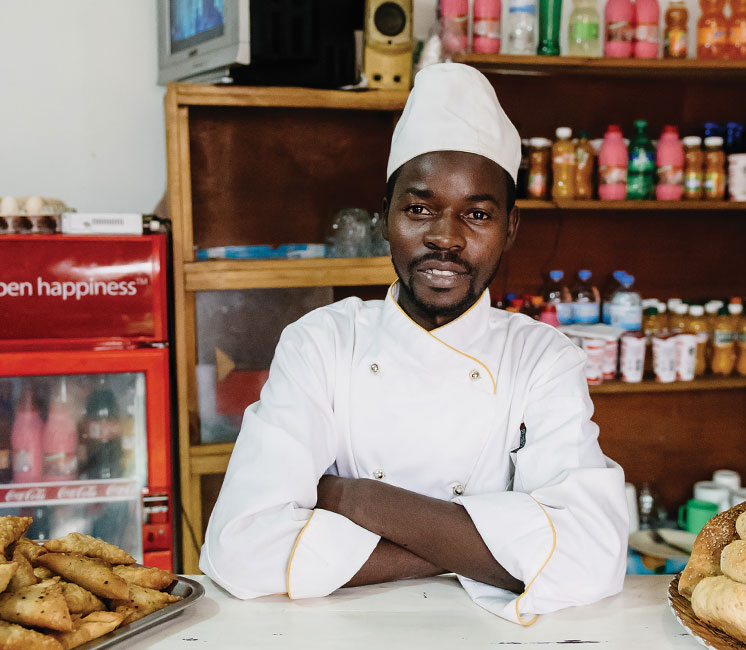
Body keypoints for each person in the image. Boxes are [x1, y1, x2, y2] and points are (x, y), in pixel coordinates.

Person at [200, 63, 627, 625]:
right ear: (385, 217)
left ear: (510, 229)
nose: (445, 237)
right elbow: (240, 549)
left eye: (477, 214)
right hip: (340, 632)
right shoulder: (322, 342)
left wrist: (360, 501)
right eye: (419, 208)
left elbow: (593, 556)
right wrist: (479, 551)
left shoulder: (542, 357)